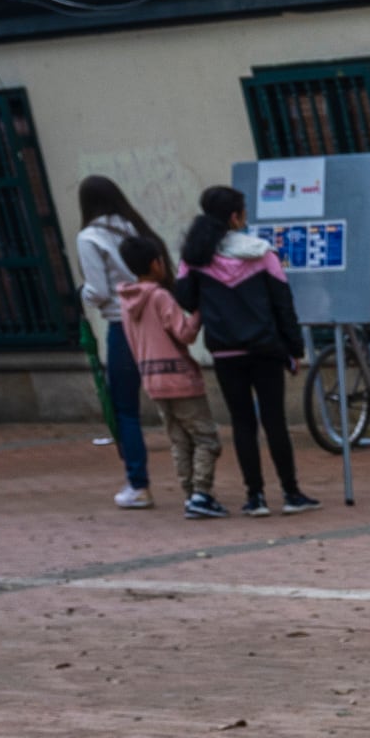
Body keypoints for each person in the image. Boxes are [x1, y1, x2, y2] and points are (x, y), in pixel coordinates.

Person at [177, 188, 318, 515]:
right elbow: (284, 304)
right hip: (265, 348)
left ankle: (255, 497)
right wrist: (293, 348)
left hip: (225, 352)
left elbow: (184, 299)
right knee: (275, 422)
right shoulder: (262, 254)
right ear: (234, 217)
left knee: (242, 424)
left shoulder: (195, 257)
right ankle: (291, 493)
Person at [113, 234, 223, 520]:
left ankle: (190, 494)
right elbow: (184, 334)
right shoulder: (160, 296)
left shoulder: (126, 301)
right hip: (180, 378)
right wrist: (199, 312)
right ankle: (201, 493)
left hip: (152, 380)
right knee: (206, 438)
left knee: (179, 440)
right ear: (155, 263)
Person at [73, 177, 156, 507]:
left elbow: (99, 291)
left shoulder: (90, 236)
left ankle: (138, 484)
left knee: (126, 409)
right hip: (155, 318)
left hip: (122, 324)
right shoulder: (134, 226)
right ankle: (197, 484)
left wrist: (83, 295)